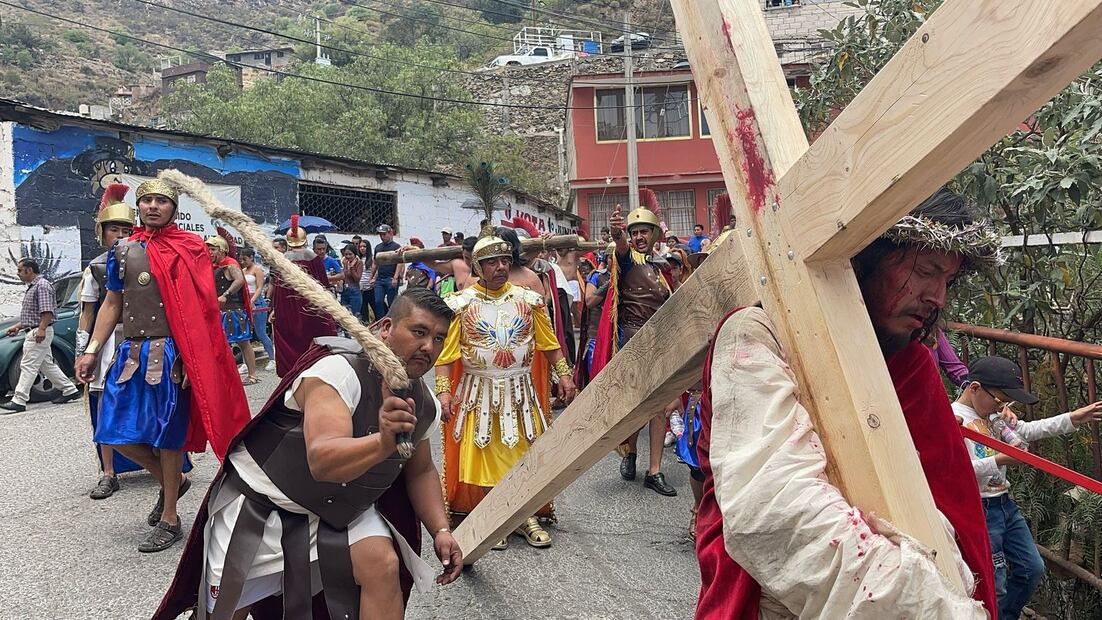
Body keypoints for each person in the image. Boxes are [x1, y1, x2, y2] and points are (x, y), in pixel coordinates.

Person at [694, 189, 1003, 618]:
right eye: (927, 270)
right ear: (864, 254)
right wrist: (936, 610)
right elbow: (777, 512)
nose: (938, 297)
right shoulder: (755, 337)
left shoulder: (912, 366)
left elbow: (952, 510)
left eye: (947, 281)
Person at [154, 289, 463, 620]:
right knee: (224, 612)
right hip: (261, 510)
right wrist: (382, 443)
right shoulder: (338, 372)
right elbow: (322, 460)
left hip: (338, 514)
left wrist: (441, 530)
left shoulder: (424, 402)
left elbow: (420, 471)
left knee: (383, 564)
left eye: (439, 338)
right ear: (386, 328)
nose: (429, 346)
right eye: (419, 331)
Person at [74, 179, 251, 553]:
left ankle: (170, 517)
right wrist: (91, 349)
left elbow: (201, 309)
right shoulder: (123, 249)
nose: (153, 206)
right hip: (130, 352)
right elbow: (111, 303)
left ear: (173, 207)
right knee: (109, 430)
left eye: (162, 201)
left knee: (167, 436)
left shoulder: (190, 248)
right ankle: (173, 480)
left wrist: (192, 357)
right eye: (147, 200)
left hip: (172, 353)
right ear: (138, 206)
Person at [435, 231, 577, 549]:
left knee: (524, 453)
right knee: (485, 452)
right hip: (477, 392)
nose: (500, 266)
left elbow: (550, 345)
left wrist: (564, 375)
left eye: (504, 260)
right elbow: (446, 357)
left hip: (521, 391)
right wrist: (444, 392)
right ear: (478, 266)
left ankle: (524, 516)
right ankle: (493, 516)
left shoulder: (528, 301)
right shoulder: (460, 304)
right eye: (491, 262)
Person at [955, 356, 1102, 620]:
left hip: (1005, 505)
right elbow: (958, 469)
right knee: (995, 582)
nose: (1002, 406)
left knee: (1031, 568)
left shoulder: (994, 416)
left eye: (1006, 403)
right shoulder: (955, 420)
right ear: (974, 388)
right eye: (999, 399)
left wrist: (1073, 418)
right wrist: (1000, 459)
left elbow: (1028, 430)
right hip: (980, 509)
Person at [592, 199, 677, 497]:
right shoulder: (626, 260)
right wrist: (618, 235)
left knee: (658, 407)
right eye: (635, 232)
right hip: (632, 340)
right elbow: (622, 250)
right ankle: (629, 453)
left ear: (654, 235)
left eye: (645, 232)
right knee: (636, 407)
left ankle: (654, 471)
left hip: (659, 343)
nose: (639, 237)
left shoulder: (665, 268)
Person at [77, 182, 139, 497]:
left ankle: (163, 465)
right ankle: (109, 472)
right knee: (105, 407)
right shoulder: (96, 268)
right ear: (103, 233)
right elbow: (87, 316)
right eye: (114, 229)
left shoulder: (147, 261)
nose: (120, 235)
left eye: (126, 229)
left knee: (150, 403)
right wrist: (84, 352)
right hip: (108, 345)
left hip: (144, 344)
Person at [0, 259, 82, 413]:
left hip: (39, 331)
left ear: (29, 270)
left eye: (20, 270)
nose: (18, 274)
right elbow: (34, 314)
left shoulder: (41, 286)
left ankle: (19, 399)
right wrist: (18, 327)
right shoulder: (35, 286)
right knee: (46, 364)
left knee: (28, 365)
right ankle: (70, 389)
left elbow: (47, 311)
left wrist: (42, 329)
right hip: (36, 329)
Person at [272, 216, 338, 376]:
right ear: (305, 240)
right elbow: (323, 283)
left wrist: (276, 309)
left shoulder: (283, 260)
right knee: (314, 333)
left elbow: (279, 289)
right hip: (311, 305)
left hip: (289, 306)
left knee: (293, 335)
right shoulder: (313, 258)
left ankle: (294, 368)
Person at [206, 234, 258, 385]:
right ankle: (227, 376)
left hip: (233, 311)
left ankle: (252, 375)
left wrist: (225, 295)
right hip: (218, 311)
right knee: (221, 345)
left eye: (213, 249)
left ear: (222, 250)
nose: (209, 252)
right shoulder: (211, 266)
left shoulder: (230, 264)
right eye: (208, 248)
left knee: (243, 343)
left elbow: (239, 280)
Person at [239, 248, 275, 372]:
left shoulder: (258, 270)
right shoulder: (242, 271)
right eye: (241, 259)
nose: (243, 262)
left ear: (251, 258)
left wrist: (252, 300)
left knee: (261, 333)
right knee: (245, 335)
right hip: (245, 302)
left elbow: (260, 287)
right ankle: (246, 362)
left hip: (257, 302)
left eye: (245, 259)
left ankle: (272, 358)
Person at [368, 224, 403, 320]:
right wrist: (371, 277)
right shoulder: (378, 248)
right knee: (378, 301)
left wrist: (396, 277)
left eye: (384, 234)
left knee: (392, 302)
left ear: (390, 233)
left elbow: (400, 262)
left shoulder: (396, 246)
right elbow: (375, 263)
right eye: (380, 235)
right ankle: (380, 322)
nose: (382, 237)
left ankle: (392, 320)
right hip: (380, 279)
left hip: (391, 278)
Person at [340, 243, 364, 318]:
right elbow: (344, 276)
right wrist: (344, 266)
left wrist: (352, 267)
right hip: (345, 290)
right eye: (346, 254)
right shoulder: (345, 262)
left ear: (354, 254)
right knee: (344, 315)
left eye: (350, 254)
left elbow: (357, 278)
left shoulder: (359, 263)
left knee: (354, 315)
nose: (348, 256)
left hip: (354, 291)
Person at [358, 238, 373, 322]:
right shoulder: (358, 259)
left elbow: (375, 272)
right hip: (361, 288)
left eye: (364, 246)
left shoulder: (372, 258)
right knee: (363, 310)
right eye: (360, 246)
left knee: (375, 306)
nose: (362, 248)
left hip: (370, 287)